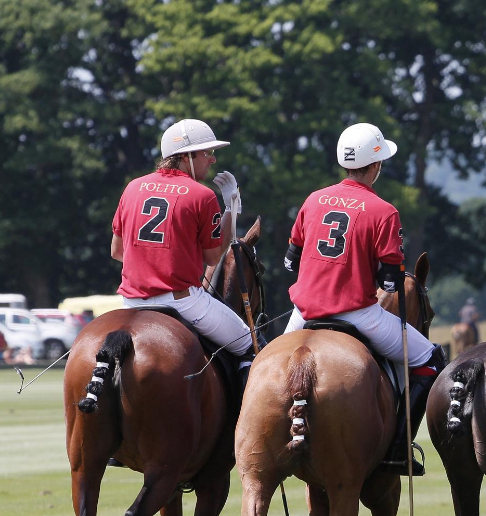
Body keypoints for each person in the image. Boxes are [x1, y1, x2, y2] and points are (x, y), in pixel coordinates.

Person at [283, 122, 445, 476]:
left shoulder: (313, 200)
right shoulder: (383, 210)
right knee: (431, 359)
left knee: (264, 364)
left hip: (303, 311)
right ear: (375, 166)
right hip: (357, 313)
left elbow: (290, 261)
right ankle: (400, 448)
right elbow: (389, 282)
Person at [111, 118, 256, 388]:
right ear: (186, 156)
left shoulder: (132, 187)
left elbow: (117, 251)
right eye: (207, 152)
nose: (212, 160)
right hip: (182, 302)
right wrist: (231, 210)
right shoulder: (201, 195)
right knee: (249, 343)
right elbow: (213, 258)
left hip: (130, 304)